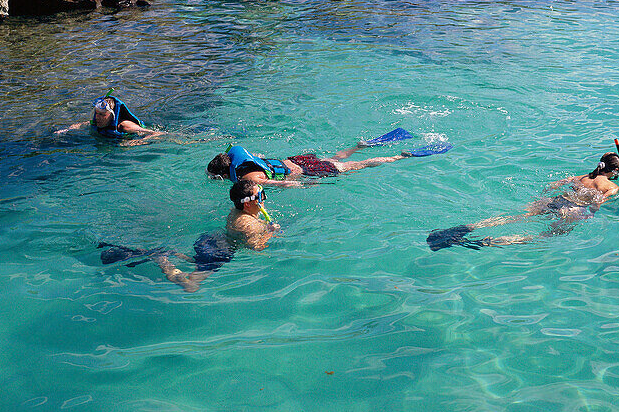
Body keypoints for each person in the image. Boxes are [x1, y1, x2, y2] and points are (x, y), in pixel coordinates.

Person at [428, 150, 619, 250]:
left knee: (518, 217)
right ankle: (486, 242)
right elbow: (596, 204)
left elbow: (554, 184)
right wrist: (587, 215)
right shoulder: (612, 187)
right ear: (614, 171)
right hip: (572, 210)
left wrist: (543, 197)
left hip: (555, 200)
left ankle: (468, 227)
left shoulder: (582, 177)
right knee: (543, 236)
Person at [151, 180, 277, 292]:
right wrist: (271, 232)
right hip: (220, 251)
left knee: (198, 261)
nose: (263, 199)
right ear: (247, 204)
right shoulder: (249, 225)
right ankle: (163, 263)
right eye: (260, 196)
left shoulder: (237, 212)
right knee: (191, 285)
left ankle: (173, 255)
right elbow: (256, 247)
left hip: (211, 239)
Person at [207, 142, 414, 187]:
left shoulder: (247, 178)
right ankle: (359, 145)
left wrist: (305, 185)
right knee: (336, 157)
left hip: (306, 171)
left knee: (357, 166)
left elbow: (285, 184)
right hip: (297, 160)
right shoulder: (244, 159)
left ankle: (398, 157)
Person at [57, 95, 165, 146]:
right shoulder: (96, 121)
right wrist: (66, 130)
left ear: (111, 116)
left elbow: (156, 133)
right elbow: (81, 124)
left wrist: (133, 143)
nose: (98, 117)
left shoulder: (124, 126)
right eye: (97, 113)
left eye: (102, 115)